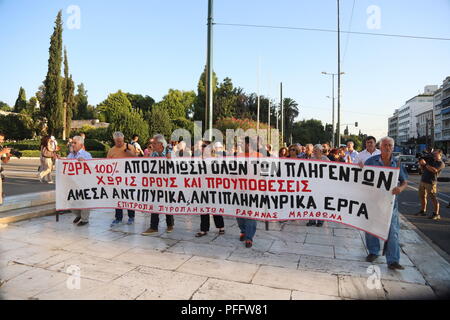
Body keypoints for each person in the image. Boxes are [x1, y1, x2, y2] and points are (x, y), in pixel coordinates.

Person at [362, 136, 408, 270]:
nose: (387, 148)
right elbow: (362, 177)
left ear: (393, 148)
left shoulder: (397, 163)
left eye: (390, 146)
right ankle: (373, 252)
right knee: (371, 228)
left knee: (393, 231)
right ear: (380, 147)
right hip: (373, 201)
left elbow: (404, 181)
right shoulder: (371, 161)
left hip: (390, 204)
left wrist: (400, 188)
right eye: (385, 145)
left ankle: (393, 260)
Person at [141, 134, 175, 235]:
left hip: (168, 183)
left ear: (160, 144)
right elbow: (148, 166)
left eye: (154, 143)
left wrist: (169, 152)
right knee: (154, 204)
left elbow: (172, 164)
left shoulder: (169, 152)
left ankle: (170, 225)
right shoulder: (154, 154)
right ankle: (153, 227)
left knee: (168, 204)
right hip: (156, 183)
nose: (152, 145)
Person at [236, 136, 262, 248]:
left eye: (242, 143)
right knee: (239, 212)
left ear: (248, 144)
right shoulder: (239, 156)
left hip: (253, 189)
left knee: (251, 213)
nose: (241, 145)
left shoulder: (259, 156)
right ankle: (243, 230)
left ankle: (249, 237)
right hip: (239, 188)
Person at [107, 131, 138, 227]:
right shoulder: (111, 150)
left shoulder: (130, 147)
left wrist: (129, 153)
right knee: (118, 198)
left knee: (129, 197)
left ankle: (131, 217)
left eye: (121, 141)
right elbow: (107, 164)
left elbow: (137, 160)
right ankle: (118, 218)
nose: (120, 143)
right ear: (114, 140)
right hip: (117, 179)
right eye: (118, 141)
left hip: (129, 178)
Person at [67, 135, 93, 226]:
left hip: (83, 183)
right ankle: (78, 215)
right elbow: (66, 166)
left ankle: (85, 219)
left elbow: (92, 168)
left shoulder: (86, 155)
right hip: (72, 182)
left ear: (81, 145)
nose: (72, 144)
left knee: (84, 201)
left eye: (75, 143)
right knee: (71, 201)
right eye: (72, 143)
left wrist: (85, 163)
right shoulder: (70, 155)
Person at [415, 149, 445, 220]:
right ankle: (423, 211)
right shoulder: (431, 160)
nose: (434, 155)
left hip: (431, 182)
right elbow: (423, 168)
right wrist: (421, 163)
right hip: (423, 180)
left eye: (435, 154)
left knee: (433, 197)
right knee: (422, 196)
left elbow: (434, 170)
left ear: (440, 155)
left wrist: (425, 164)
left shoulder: (441, 163)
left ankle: (436, 214)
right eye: (433, 154)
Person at [306, 144, 330, 227]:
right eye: (314, 150)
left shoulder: (326, 159)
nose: (314, 152)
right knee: (311, 202)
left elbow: (331, 169)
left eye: (316, 151)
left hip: (323, 184)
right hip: (313, 184)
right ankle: (312, 220)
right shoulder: (311, 159)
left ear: (320, 151)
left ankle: (320, 220)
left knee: (321, 202)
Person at [0, 133, 11, 205]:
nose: (1, 141)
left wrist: (8, 155)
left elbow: (5, 161)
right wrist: (2, 152)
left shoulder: (1, 147)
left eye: (2, 139)